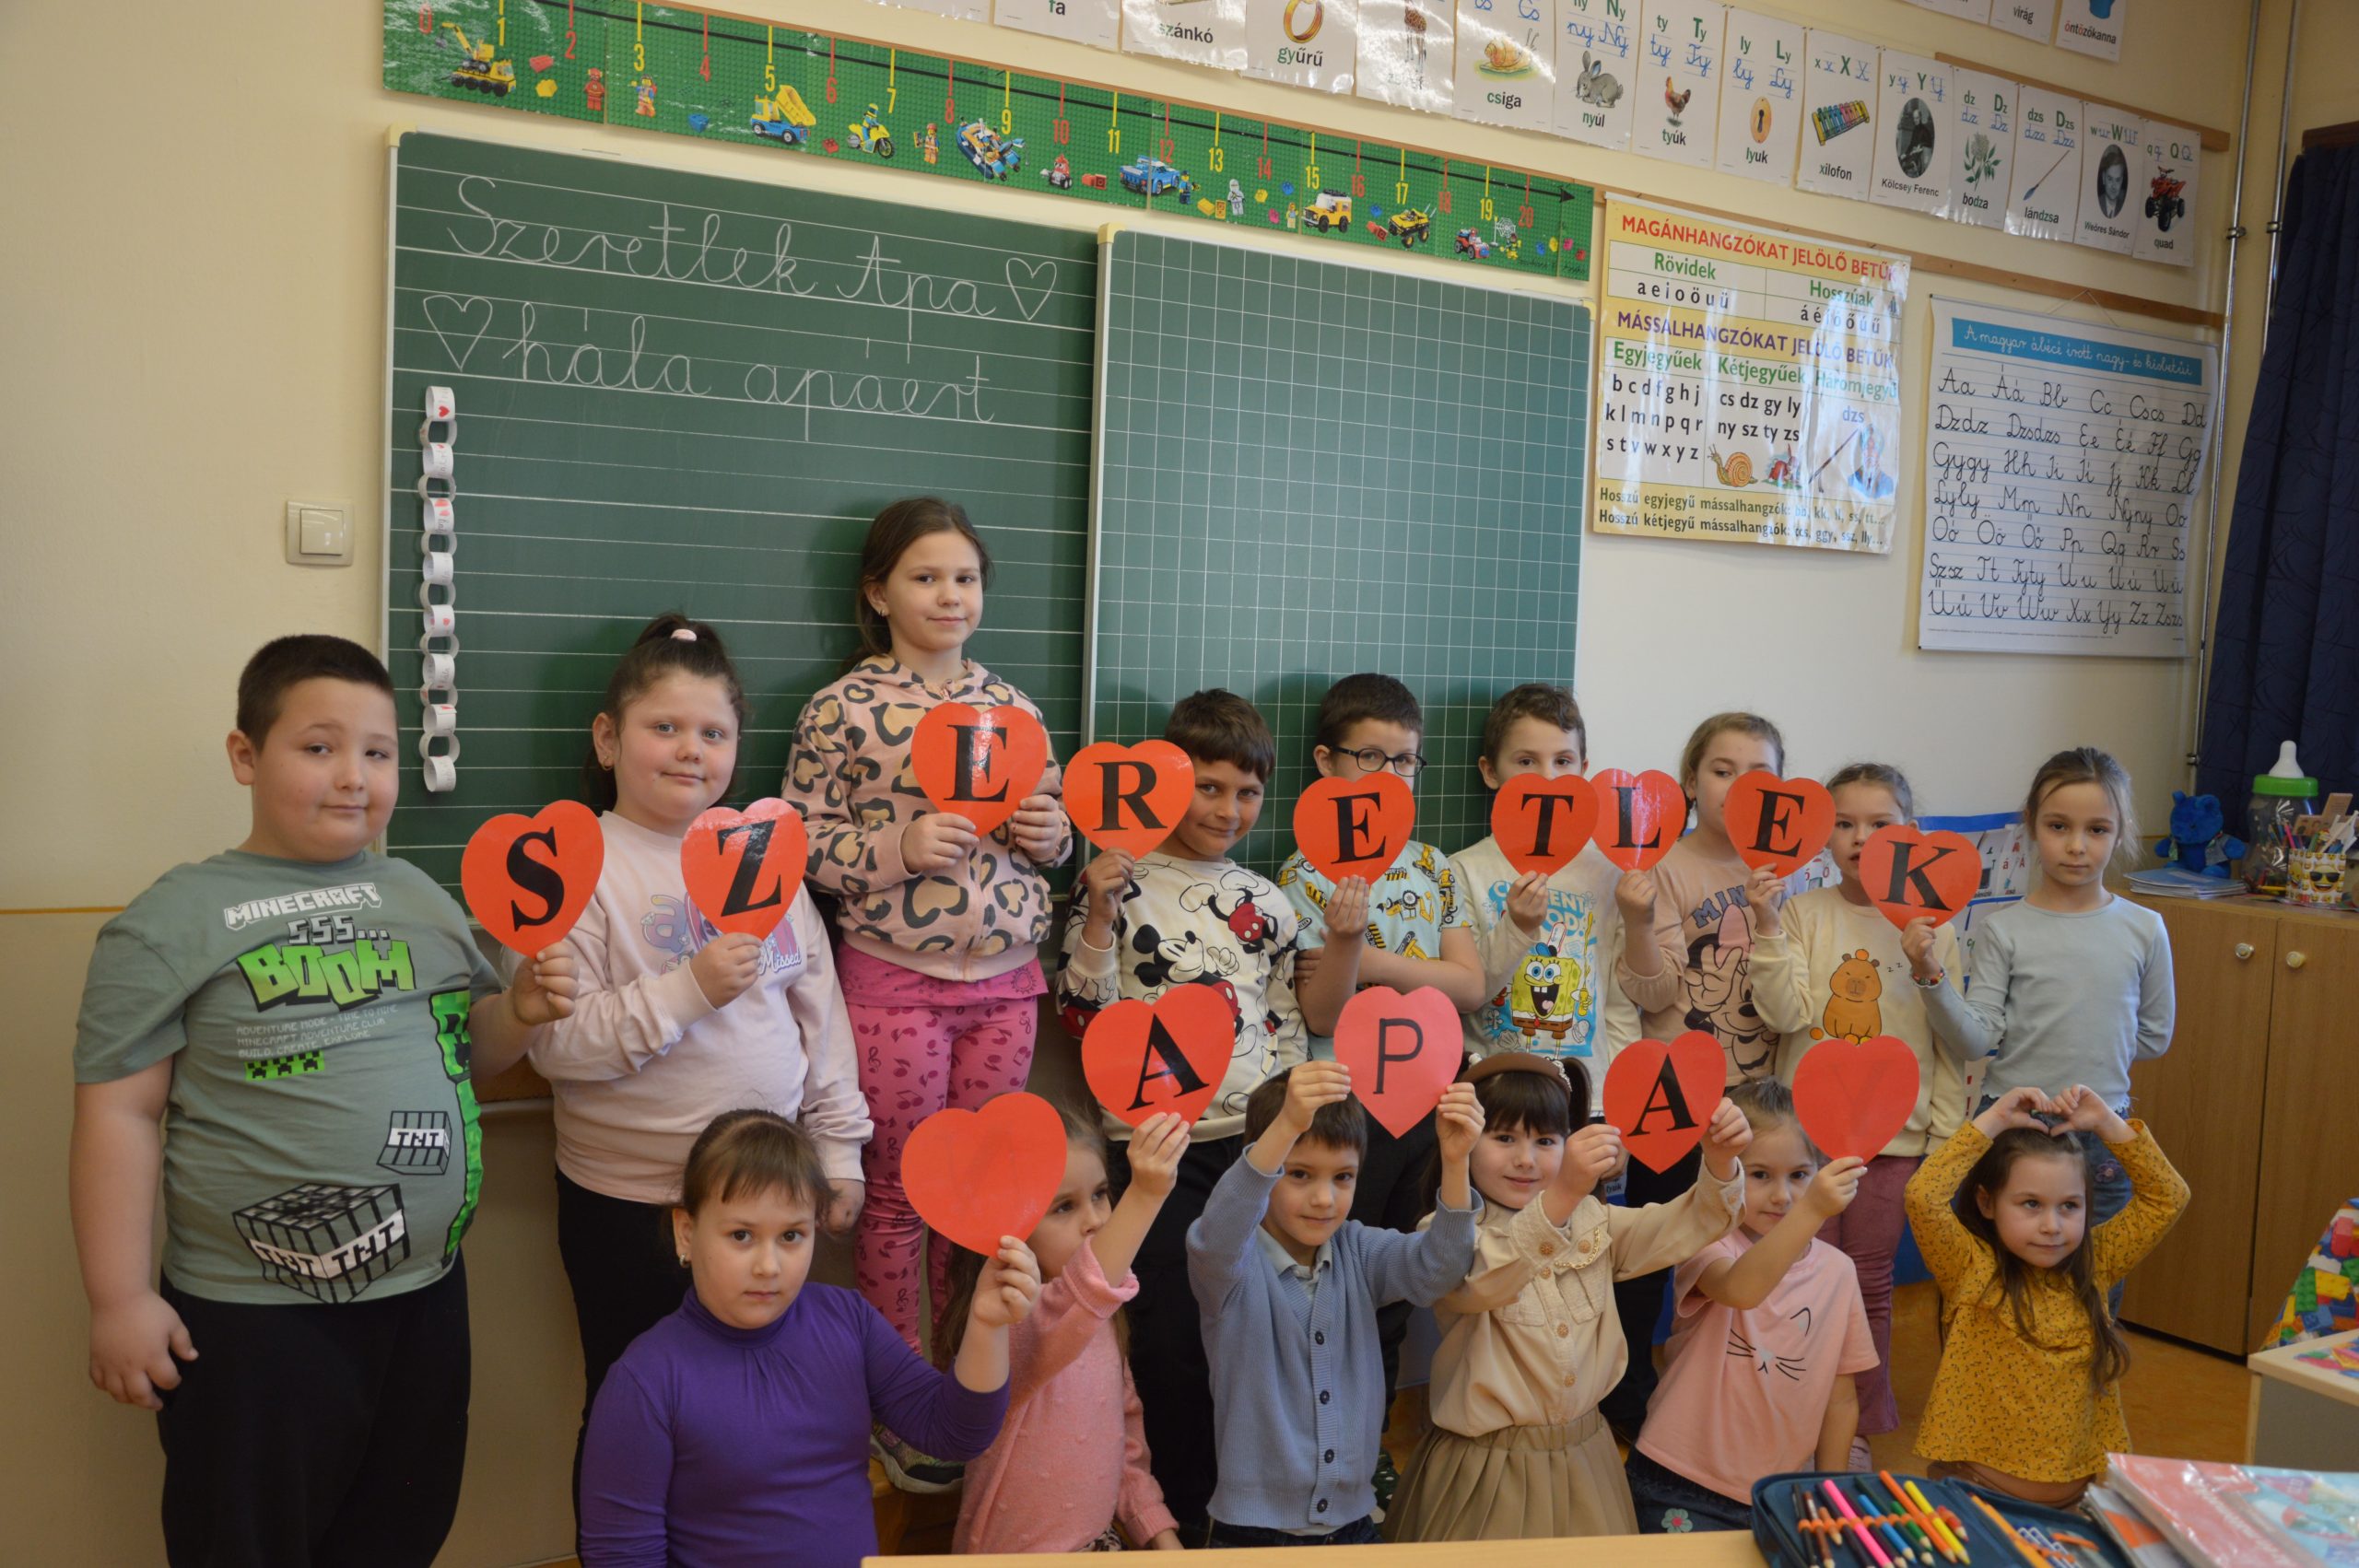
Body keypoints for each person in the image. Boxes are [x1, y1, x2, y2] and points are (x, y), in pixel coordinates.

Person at [70, 634, 574, 1565]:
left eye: (378, 752)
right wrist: (119, 1297)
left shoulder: (419, 896)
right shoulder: (172, 920)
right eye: (319, 747)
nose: (354, 776)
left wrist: (519, 1013)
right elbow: (118, 1113)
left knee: (400, 1529)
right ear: (245, 755)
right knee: (249, 1540)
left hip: (423, 1298)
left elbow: (466, 1057)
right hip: (253, 1319)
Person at [533, 614, 869, 1516]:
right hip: (631, 1202)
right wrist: (689, 989)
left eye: (714, 732)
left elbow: (821, 1019)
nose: (692, 749)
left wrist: (839, 1152)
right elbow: (557, 1047)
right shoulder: (576, 865)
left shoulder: (766, 862)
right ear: (608, 739)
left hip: (765, 1200)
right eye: (665, 727)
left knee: (752, 1412)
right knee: (632, 1408)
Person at [782, 496, 1071, 1488]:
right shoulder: (841, 709)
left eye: (966, 578)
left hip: (1008, 985)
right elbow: (803, 844)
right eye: (925, 577)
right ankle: (896, 1397)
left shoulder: (1014, 709)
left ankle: (962, 1381)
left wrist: (1050, 836)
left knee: (978, 1201)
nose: (950, 595)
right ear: (878, 593)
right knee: (900, 1196)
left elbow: (1055, 835)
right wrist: (897, 846)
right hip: (894, 981)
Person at [1052, 687, 1306, 1534]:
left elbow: (1284, 1022)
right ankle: (1180, 1517)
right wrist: (1097, 912)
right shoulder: (1117, 883)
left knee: (1255, 1331)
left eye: (1247, 792)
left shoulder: (1268, 902)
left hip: (1253, 1150)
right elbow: (1081, 1018)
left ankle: (1253, 1507)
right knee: (1167, 1341)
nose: (1228, 809)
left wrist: (1289, 1128)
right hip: (1153, 1151)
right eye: (1208, 787)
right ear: (1168, 784)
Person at [579, 1108, 1036, 1565]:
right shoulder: (644, 1382)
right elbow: (622, 1556)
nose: (768, 1266)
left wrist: (986, 1325)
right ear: (686, 1233)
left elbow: (954, 1432)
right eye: (741, 1235)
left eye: (791, 1236)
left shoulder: (848, 1321)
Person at [1388, 1055, 1750, 1539]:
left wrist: (1721, 1161)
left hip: (1586, 1460)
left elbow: (1691, 1224)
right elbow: (1477, 1282)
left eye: (1545, 1141)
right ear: (1464, 1142)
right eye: (1504, 1138)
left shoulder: (1594, 1222)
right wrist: (1564, 1192)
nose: (1526, 1159)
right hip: (1486, 1471)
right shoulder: (1447, 1234)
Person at [1278, 673, 1488, 1482]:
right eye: (1372, 757)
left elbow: (1468, 985)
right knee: (1333, 1275)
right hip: (1345, 1106)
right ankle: (1321, 1447)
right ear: (1327, 762)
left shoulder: (1434, 867)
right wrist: (1352, 950)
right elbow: (1321, 1008)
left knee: (1400, 1277)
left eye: (1406, 761)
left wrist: (1365, 955)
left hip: (1428, 1102)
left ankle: (1368, 1449)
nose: (1392, 776)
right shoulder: (1301, 875)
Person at [1752, 760, 1967, 1452]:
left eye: (1880, 824)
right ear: (1822, 835)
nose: (1861, 838)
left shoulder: (1936, 928)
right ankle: (1794, 1418)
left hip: (1894, 1143)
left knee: (1869, 1282)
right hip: (1807, 1140)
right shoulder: (1803, 912)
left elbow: (1951, 1044)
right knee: (1800, 1274)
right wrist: (1766, 924)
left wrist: (1944, 1137)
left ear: (1911, 834)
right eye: (1843, 823)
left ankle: (1857, 1426)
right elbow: (1784, 1015)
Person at [1190, 1064, 1484, 1548]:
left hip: (1353, 1525)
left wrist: (1455, 1162)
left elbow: (1438, 1269)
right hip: (1252, 1534)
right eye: (1299, 1174)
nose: (1324, 1199)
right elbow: (1218, 1229)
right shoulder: (1232, 1266)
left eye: (1343, 1177)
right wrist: (1286, 1125)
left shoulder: (1358, 1250)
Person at [1605, 709, 1792, 1436]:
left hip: (1760, 1100)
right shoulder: (1665, 867)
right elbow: (1653, 994)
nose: (1740, 788)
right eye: (1722, 771)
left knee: (1744, 1253)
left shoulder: (1788, 872)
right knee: (1657, 1251)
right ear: (1690, 781)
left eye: (1759, 774)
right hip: (1676, 1102)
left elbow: (1792, 998)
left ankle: (1725, 1388)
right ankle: (1626, 1395)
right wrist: (1638, 921)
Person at [1919, 748, 2172, 1240]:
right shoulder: (2005, 929)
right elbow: (1975, 1040)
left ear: (2120, 832)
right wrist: (1930, 975)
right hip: (2014, 1123)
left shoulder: (2146, 928)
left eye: (2097, 829)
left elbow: (2154, 1037)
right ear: (2032, 824)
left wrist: (2092, 1054)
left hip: (2102, 1127)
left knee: (2097, 1270)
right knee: (1999, 1271)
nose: (2077, 846)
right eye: (2059, 826)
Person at [1906, 1085, 2189, 1506]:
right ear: (1987, 1203)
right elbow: (1922, 1197)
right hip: (1978, 1497)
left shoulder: (2096, 1262)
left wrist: (2108, 1123)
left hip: (2074, 1505)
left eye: (2069, 1206)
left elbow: (2168, 1197)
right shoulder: (1970, 1269)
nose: (2052, 1226)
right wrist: (1992, 1121)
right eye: (2031, 1204)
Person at [1625, 1080, 1875, 1533]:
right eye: (1760, 1175)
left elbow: (1841, 1401)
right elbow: (1740, 1288)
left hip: (1779, 1492)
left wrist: (1830, 1495)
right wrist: (1812, 1210)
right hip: (1679, 1478)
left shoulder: (1839, 1272)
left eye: (1799, 1175)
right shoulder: (1706, 1241)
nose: (1783, 1196)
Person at [942, 1106, 1189, 1552]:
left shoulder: (1104, 1322)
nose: (1095, 1219)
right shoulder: (1011, 1321)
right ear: (1006, 1228)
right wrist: (1145, 1195)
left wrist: (1161, 1537)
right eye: (1064, 1206)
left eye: (1100, 1194)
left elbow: (1125, 1450)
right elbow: (1082, 1292)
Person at [1450, 683, 1644, 1092]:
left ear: (1583, 771)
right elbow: (1469, 991)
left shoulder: (1608, 872)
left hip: (1589, 1093)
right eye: (1526, 761)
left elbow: (1618, 1003)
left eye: (1563, 761)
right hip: (1496, 1093)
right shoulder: (1463, 870)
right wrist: (1516, 927)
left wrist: (1620, 1091)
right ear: (1490, 771)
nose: (1547, 778)